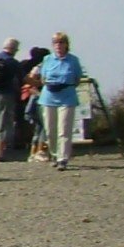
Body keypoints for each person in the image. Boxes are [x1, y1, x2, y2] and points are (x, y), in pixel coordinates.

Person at [35, 33, 85, 171]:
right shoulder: (47, 59)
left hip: (67, 96)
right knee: (50, 130)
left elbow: (77, 79)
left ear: (66, 44)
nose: (58, 45)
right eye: (55, 42)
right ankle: (55, 154)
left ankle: (63, 158)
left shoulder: (73, 60)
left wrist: (65, 85)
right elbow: (43, 78)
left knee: (64, 128)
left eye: (61, 42)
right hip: (49, 96)